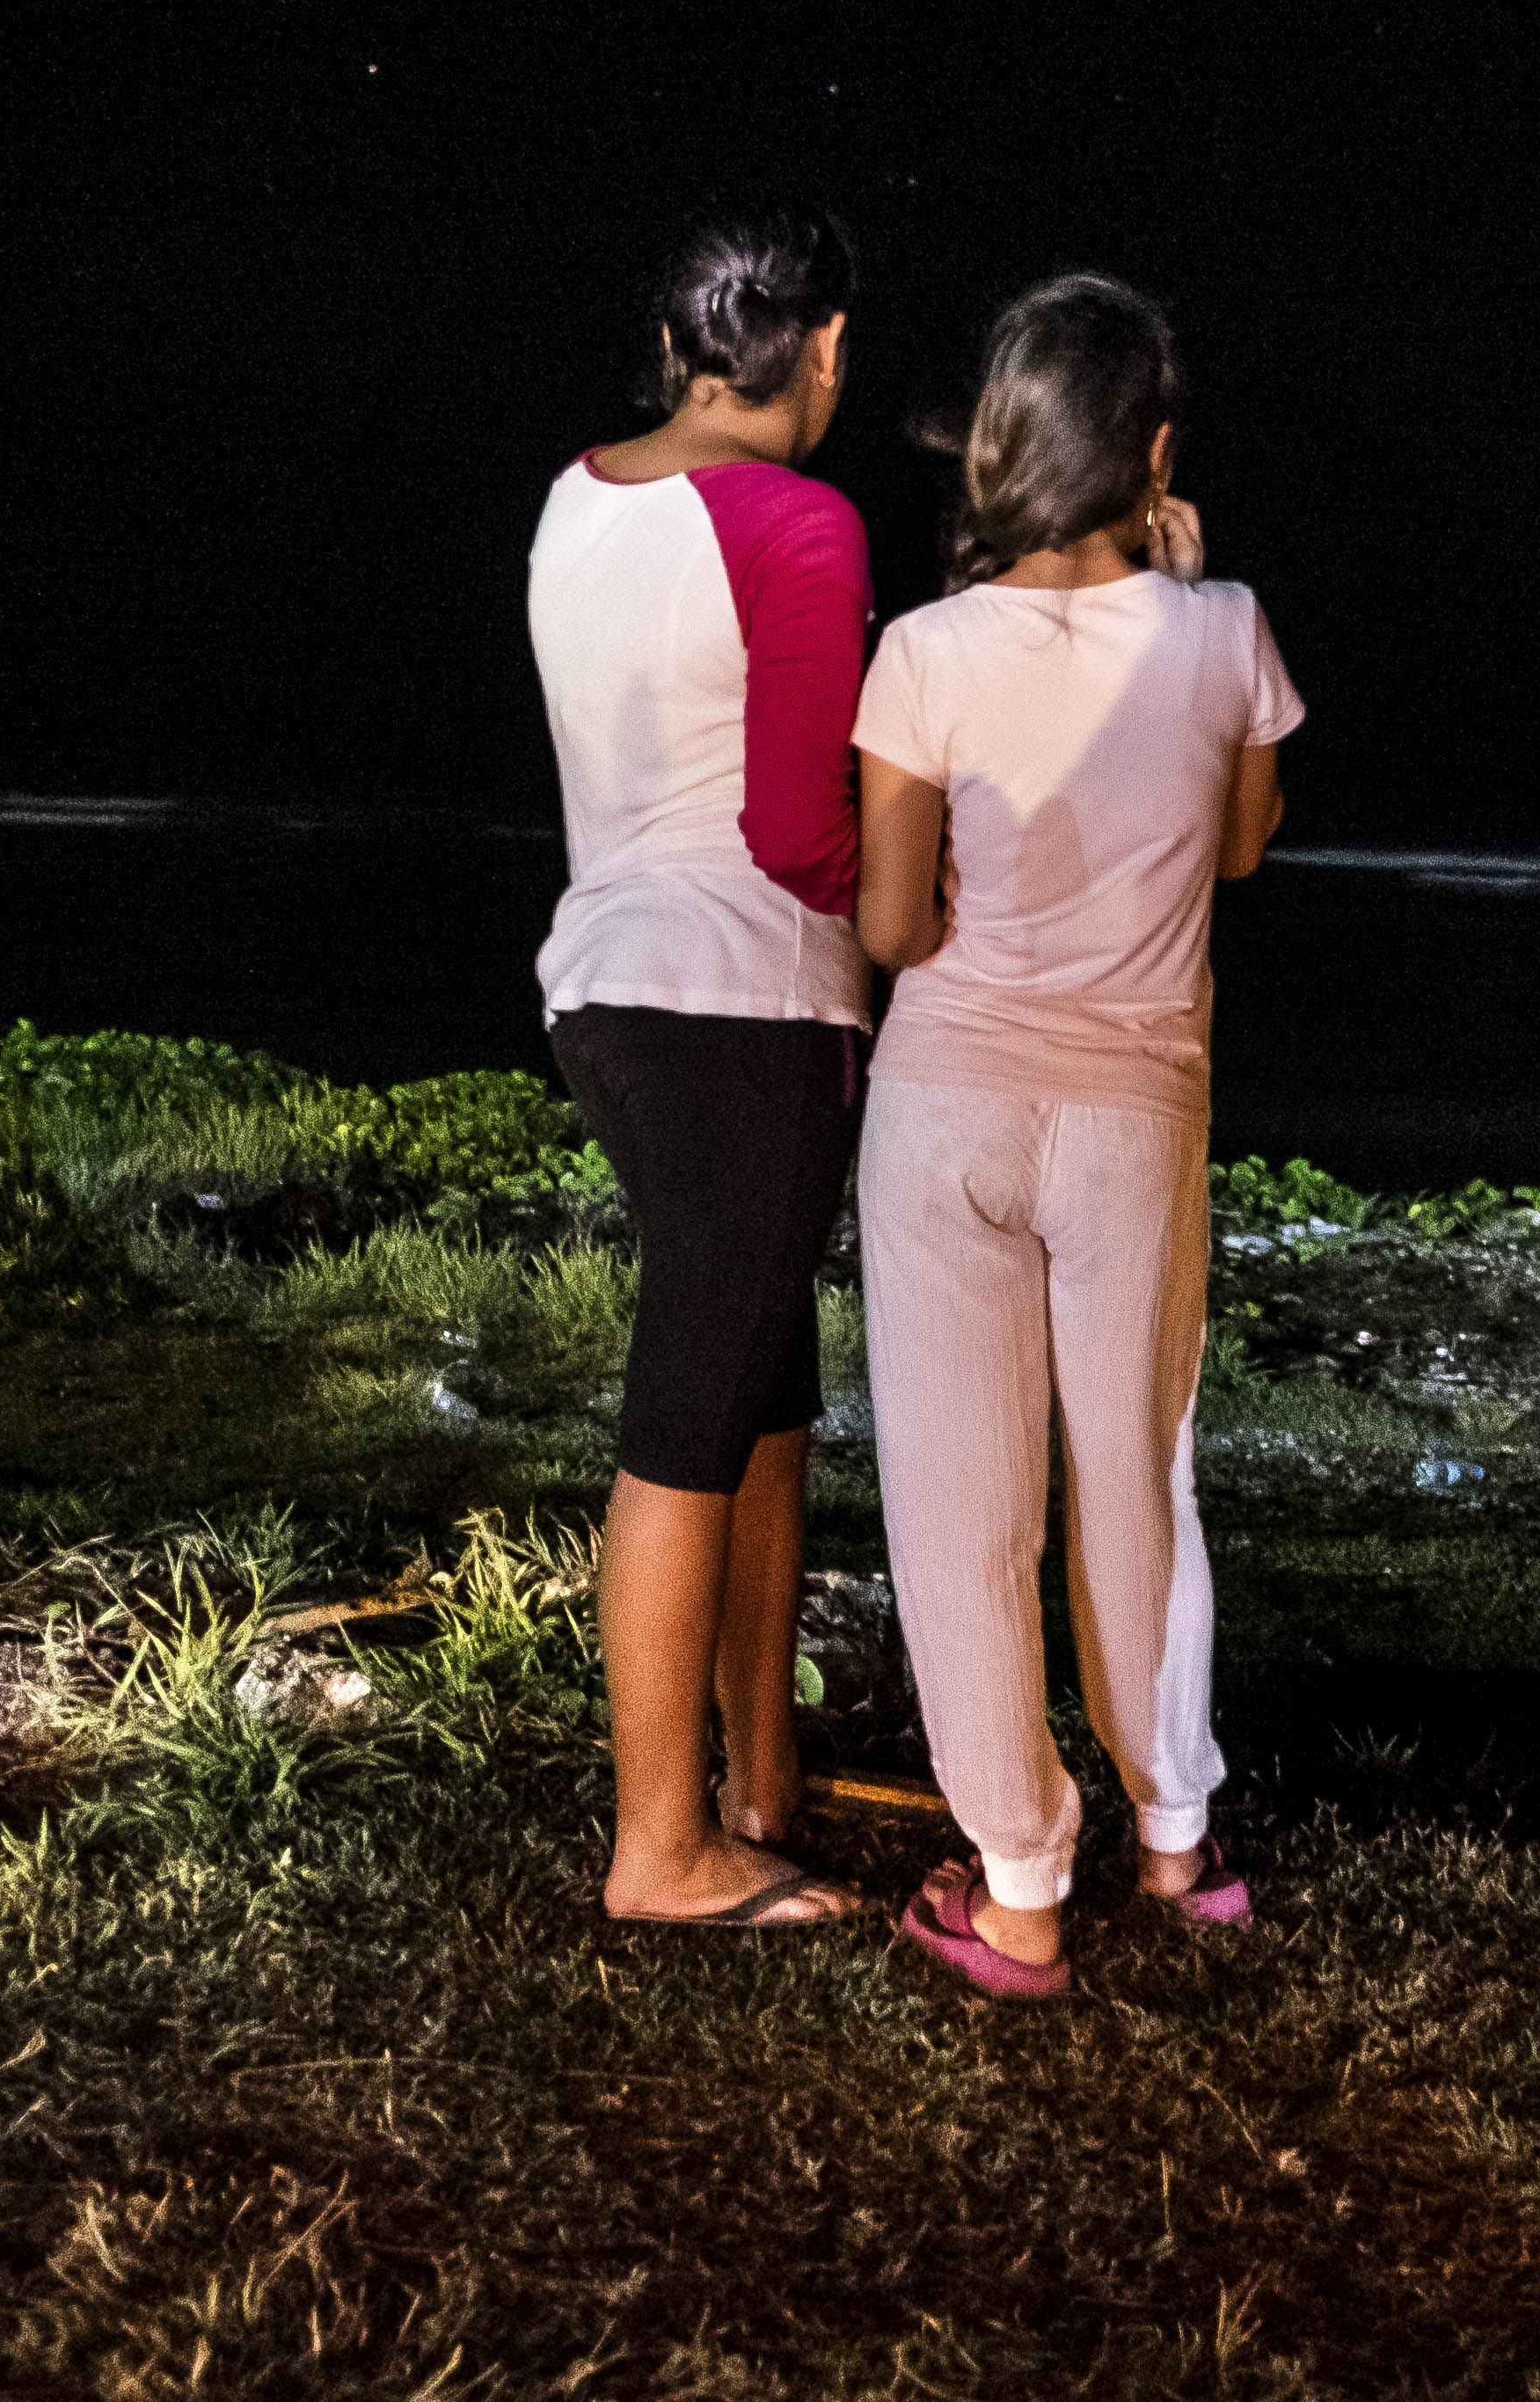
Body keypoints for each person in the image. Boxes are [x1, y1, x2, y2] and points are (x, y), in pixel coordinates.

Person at [850, 274, 1297, 1999]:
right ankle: (1174, 1839)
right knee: (1140, 1473)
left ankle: (1021, 1892)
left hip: (947, 1102)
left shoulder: (923, 655)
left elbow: (891, 926)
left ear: (1002, 446)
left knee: (962, 1506)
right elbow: (1241, 844)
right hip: (1135, 1113)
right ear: (1156, 450)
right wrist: (1178, 593)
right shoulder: (1223, 629)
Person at [525, 203, 872, 1929]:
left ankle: (761, 1781)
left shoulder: (579, 495)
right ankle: (661, 1848)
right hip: (739, 1003)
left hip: (612, 989)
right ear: (821, 351)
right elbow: (806, 834)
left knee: (763, 1389)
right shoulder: (797, 520)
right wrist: (942, 910)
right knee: (690, 1410)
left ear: (677, 349)